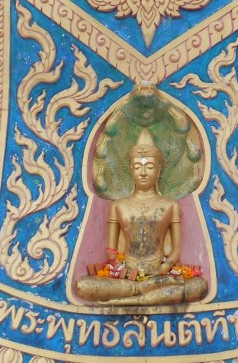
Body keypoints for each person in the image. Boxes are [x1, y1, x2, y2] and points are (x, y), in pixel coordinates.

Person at [76, 129, 208, 305]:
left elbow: (175, 250)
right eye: (138, 167)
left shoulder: (170, 205)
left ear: (159, 169)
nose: (143, 172)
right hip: (126, 276)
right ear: (131, 169)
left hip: (159, 274)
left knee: (199, 286)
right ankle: (141, 292)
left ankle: (132, 297)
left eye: (150, 167)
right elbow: (111, 250)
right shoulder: (118, 206)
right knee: (83, 286)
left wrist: (163, 268)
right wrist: (121, 269)